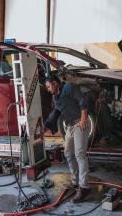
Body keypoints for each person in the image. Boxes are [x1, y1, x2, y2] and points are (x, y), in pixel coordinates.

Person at [43, 75, 90, 203]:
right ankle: (75, 181)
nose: (48, 89)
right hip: (70, 127)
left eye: (48, 86)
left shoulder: (69, 87)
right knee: (68, 153)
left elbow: (82, 100)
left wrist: (84, 118)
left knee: (80, 154)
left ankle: (84, 187)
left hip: (79, 124)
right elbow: (56, 113)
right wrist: (45, 125)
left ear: (54, 83)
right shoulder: (56, 97)